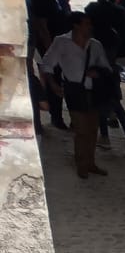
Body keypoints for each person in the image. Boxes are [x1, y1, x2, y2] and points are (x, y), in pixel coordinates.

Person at [41, 14, 113, 180]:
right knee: (81, 130)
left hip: (93, 92)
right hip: (74, 91)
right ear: (76, 26)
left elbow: (106, 68)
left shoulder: (95, 45)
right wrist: (53, 84)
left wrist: (98, 73)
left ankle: (90, 162)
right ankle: (82, 164)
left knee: (92, 129)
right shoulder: (62, 42)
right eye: (86, 24)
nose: (90, 27)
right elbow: (47, 63)